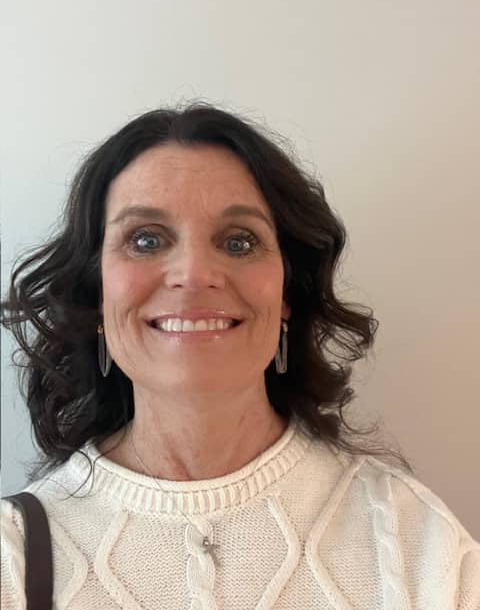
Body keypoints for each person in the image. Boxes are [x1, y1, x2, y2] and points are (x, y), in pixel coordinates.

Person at [1, 103, 478, 610]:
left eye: (238, 242)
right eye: (145, 239)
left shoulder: (415, 543)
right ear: (97, 292)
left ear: (287, 292)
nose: (193, 273)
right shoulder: (14, 560)